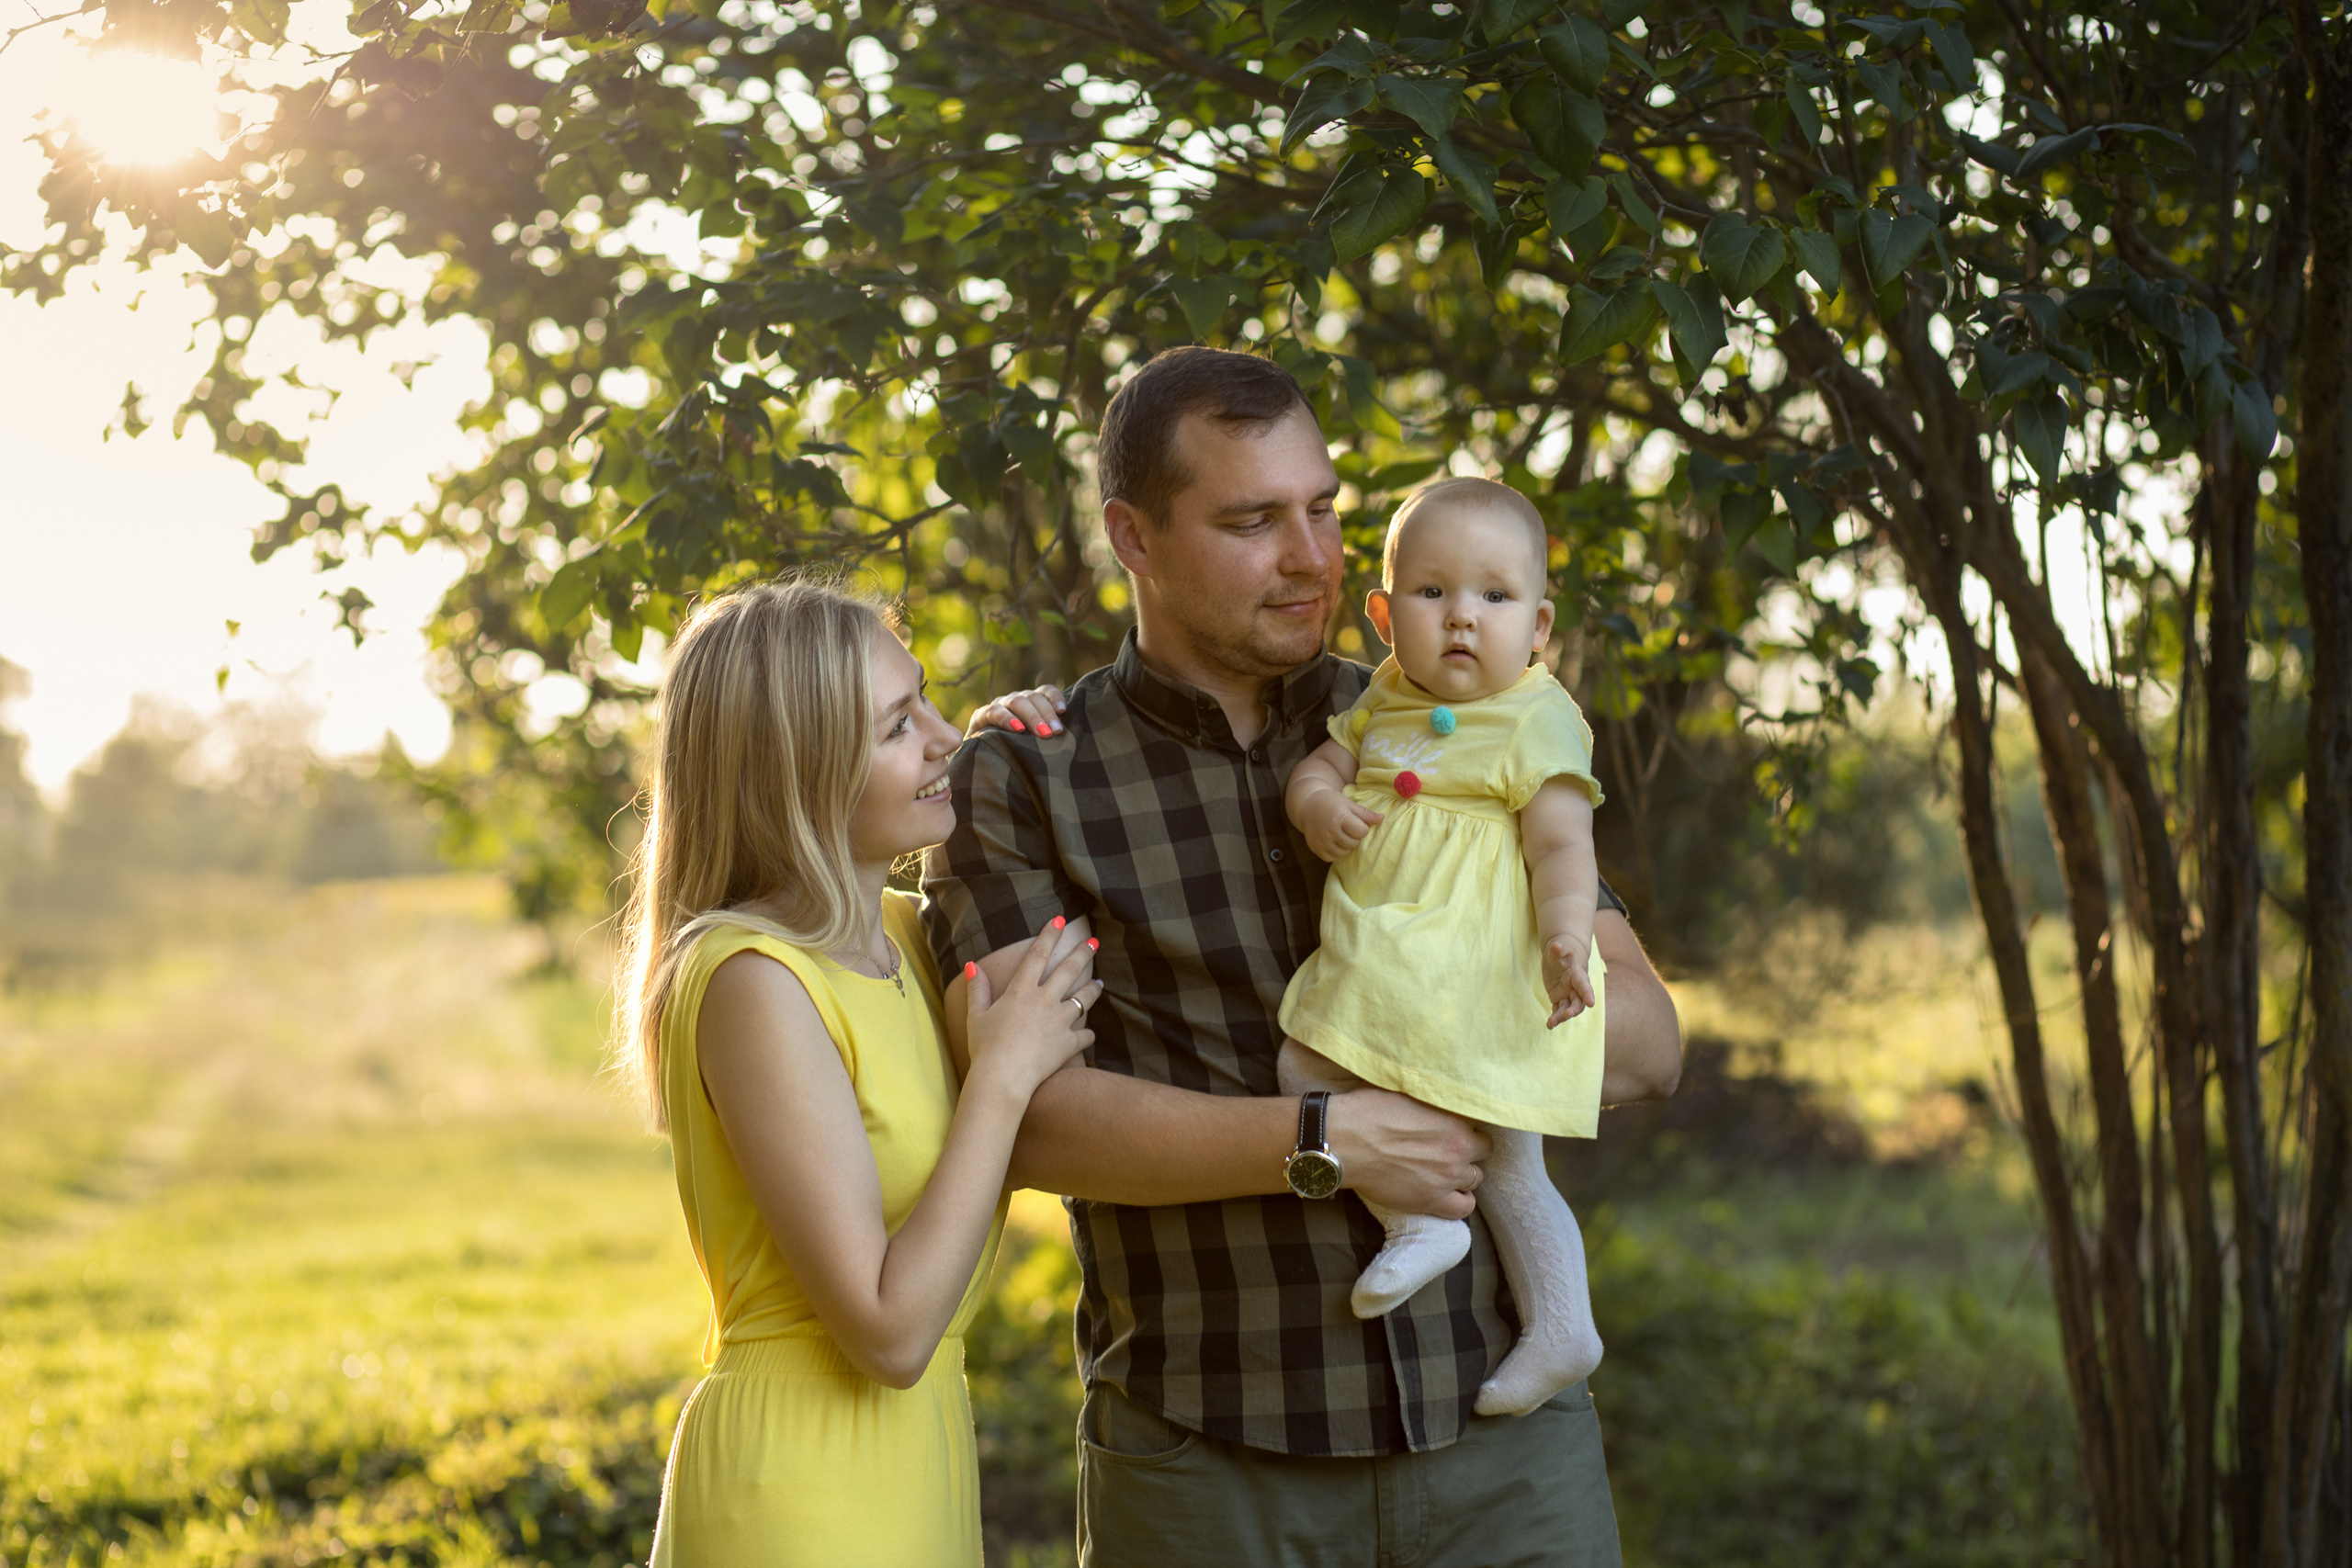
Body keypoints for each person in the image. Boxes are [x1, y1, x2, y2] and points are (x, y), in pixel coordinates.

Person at [926, 346, 1682, 1568]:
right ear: (1132, 536)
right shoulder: (1030, 775)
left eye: (1323, 509)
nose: (1313, 557)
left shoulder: (1445, 714)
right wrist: (1324, 1139)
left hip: (1502, 1444)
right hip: (1211, 1455)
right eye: (1252, 521)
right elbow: (1030, 1123)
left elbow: (1647, 1043)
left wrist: (1467, 999)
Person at [612, 579, 1102, 1567]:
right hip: (797, 1491)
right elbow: (888, 1332)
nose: (944, 738)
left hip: (914, 1467)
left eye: (928, 701)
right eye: (897, 726)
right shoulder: (750, 978)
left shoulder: (905, 936)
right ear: (799, 774)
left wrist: (1023, 757)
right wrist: (1000, 1079)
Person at [1279, 474, 1609, 1420]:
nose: (1462, 616)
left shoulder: (1539, 718)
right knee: (1304, 1062)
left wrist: (1566, 938)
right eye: (1432, 592)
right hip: (1387, 961)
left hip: (1474, 973)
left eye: (1494, 597)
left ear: (1537, 627)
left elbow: (1561, 846)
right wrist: (1316, 805)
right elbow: (1322, 765)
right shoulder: (1381, 695)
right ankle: (1420, 1220)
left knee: (1510, 1157)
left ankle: (1561, 1323)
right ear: (1384, 617)